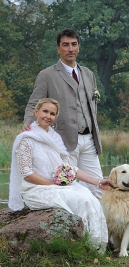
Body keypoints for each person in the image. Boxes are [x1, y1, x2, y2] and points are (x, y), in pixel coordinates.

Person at [10, 98, 109, 250]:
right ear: (36, 112)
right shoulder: (26, 139)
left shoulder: (55, 138)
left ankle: (94, 246)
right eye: (45, 111)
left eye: (52, 113)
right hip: (35, 189)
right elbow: (27, 174)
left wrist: (97, 181)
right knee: (79, 199)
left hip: (57, 186)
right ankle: (82, 245)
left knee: (89, 197)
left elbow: (70, 168)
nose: (48, 116)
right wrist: (54, 185)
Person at [23, 29, 104, 198]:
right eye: (65, 45)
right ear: (58, 48)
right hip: (63, 140)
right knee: (68, 189)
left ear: (78, 47)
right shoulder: (47, 75)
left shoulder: (88, 74)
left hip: (89, 139)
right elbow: (33, 103)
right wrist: (30, 126)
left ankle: (99, 225)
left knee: (98, 186)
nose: (70, 49)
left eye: (74, 44)